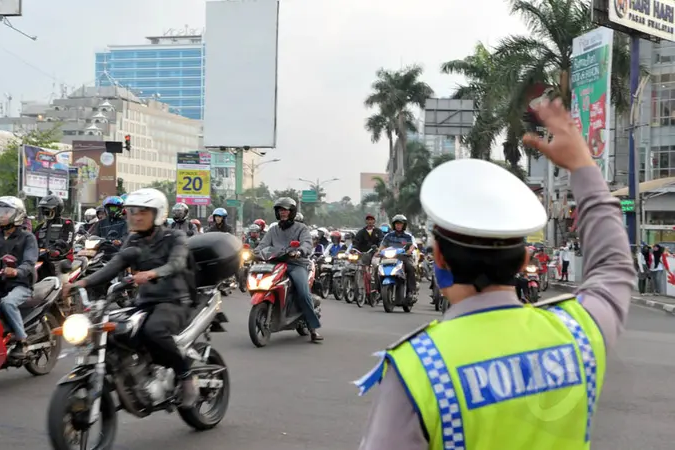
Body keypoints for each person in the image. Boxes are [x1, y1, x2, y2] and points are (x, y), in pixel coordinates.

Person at [357, 97, 635, 450]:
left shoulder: (418, 367)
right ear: (522, 262)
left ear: (439, 256)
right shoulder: (579, 331)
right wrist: (582, 166)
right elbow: (614, 265)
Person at [66, 188, 200, 407]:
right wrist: (81, 282)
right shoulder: (134, 240)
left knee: (153, 331)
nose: (136, 217)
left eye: (143, 212)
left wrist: (153, 273)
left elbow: (176, 263)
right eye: (133, 211)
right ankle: (133, 374)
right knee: (112, 329)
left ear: (158, 214)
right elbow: (114, 265)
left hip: (175, 300)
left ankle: (185, 375)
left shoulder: (174, 237)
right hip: (144, 302)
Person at [0, 196, 38, 358]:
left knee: (8, 302)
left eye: (6, 212)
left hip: (21, 284)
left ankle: (22, 341)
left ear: (17, 215)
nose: (1, 216)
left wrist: (17, 271)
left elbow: (29, 262)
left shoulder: (27, 237)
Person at [256, 197, 322, 342]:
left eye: (286, 210)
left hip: (296, 264)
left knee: (303, 293)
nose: (283, 213)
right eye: (280, 210)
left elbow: (307, 244)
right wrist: (253, 253)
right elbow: (262, 245)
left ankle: (313, 328)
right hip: (275, 264)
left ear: (291, 212)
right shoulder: (273, 230)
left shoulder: (301, 228)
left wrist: (299, 251)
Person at [34, 194, 75, 280]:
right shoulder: (40, 227)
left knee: (61, 286)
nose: (45, 213)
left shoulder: (67, 223)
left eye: (47, 210)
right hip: (41, 260)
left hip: (59, 260)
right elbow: (32, 241)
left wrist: (57, 251)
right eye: (43, 210)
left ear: (57, 210)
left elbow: (67, 242)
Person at [379, 214, 417, 295]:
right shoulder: (388, 236)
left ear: (404, 225)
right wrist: (378, 252)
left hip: (404, 257)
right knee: (378, 268)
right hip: (389, 257)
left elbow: (413, 245)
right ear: (394, 225)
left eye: (400, 224)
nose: (398, 226)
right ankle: (378, 290)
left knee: (410, 268)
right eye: (397, 224)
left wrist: (409, 250)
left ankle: (411, 290)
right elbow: (382, 246)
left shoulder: (408, 236)